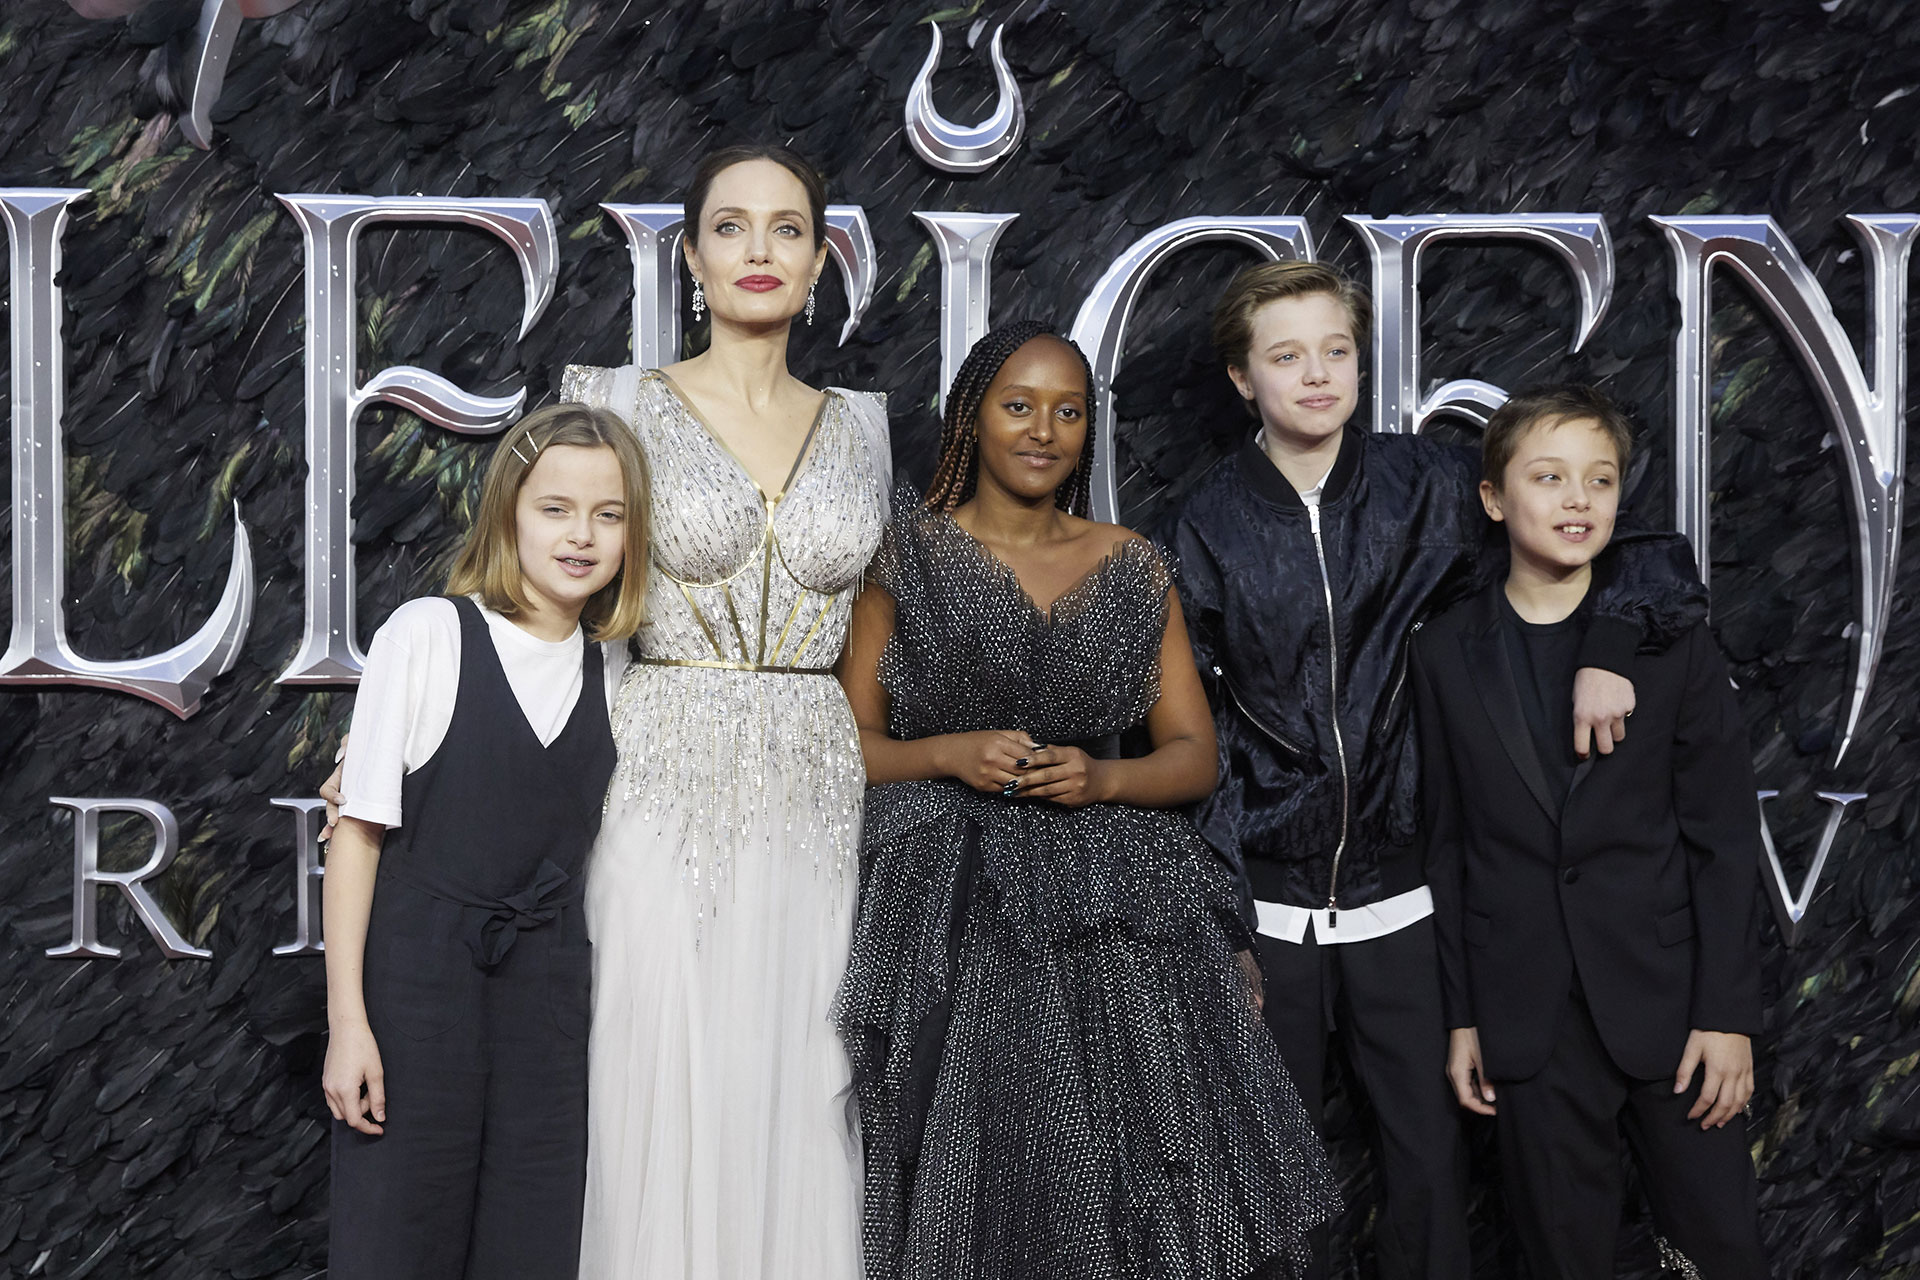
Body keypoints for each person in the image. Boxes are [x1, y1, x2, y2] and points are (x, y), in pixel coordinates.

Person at [1168, 261, 1709, 1280]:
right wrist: (1225, 912)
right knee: (1269, 1191)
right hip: (1271, 909)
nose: (1317, 374)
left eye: (1336, 350)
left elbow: (1641, 548)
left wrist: (1612, 642)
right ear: (1243, 378)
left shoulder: (1433, 485)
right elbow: (1193, 732)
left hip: (1407, 899)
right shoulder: (1203, 524)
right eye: (1287, 356)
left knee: (1429, 1172)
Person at [834, 319, 1340, 1280]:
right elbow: (850, 749)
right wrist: (948, 753)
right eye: (1018, 406)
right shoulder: (904, 558)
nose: (1043, 431)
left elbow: (1193, 757)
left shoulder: (1132, 562)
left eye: (1068, 412)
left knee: (1138, 1173)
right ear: (971, 419)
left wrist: (1103, 776)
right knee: (983, 1164)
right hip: (952, 900)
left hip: (1114, 900)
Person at [560, 143, 891, 1279]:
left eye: (787, 229)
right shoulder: (614, 402)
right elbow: (538, 603)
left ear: (820, 261)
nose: (760, 250)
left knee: (800, 1076)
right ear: (693, 258)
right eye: (732, 227)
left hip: (817, 786)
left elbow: (883, 639)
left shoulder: (864, 424)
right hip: (658, 775)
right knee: (655, 1064)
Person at [1414, 384, 1768, 1278]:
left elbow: (1726, 838)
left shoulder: (1667, 640)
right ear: (1494, 499)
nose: (1578, 499)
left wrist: (1726, 1016)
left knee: (1722, 1250)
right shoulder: (1443, 651)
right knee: (1564, 1259)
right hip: (1524, 1014)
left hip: (1672, 1006)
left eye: (1599, 480)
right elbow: (1447, 846)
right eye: (1549, 477)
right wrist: (1463, 1018)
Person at [321, 403, 650, 1280]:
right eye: (556, 509)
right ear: (509, 511)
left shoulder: (620, 671)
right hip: (417, 991)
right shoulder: (428, 633)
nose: (581, 536)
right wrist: (347, 1025)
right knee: (397, 1242)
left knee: (533, 1242)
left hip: (547, 1002)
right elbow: (355, 838)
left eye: (609, 515)